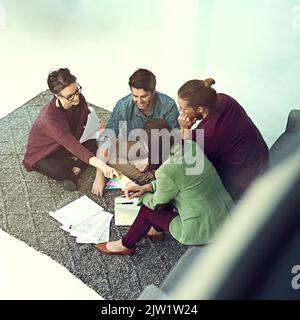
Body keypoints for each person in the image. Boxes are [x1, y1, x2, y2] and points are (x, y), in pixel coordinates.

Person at [95, 119, 234, 256]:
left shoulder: (166, 170)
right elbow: (177, 181)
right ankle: (156, 230)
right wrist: (147, 187)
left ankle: (125, 245)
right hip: (226, 214)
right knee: (161, 194)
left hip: (203, 229)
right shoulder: (191, 146)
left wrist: (140, 194)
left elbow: (157, 205)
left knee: (148, 209)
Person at [23, 68, 118, 191]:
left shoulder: (78, 97)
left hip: (70, 140)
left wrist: (95, 126)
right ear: (57, 96)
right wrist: (103, 166)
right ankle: (75, 165)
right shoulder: (50, 118)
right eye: (69, 96)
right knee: (59, 171)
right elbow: (72, 144)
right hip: (46, 152)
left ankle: (75, 170)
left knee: (97, 140)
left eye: (76, 91)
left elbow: (84, 118)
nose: (76, 98)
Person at [177, 78, 269, 201]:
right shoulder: (224, 99)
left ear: (200, 109)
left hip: (244, 183)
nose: (180, 112)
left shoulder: (209, 134)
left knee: (186, 180)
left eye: (183, 109)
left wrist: (184, 128)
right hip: (261, 158)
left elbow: (190, 163)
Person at [92, 68, 180, 196]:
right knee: (111, 151)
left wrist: (150, 159)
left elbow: (175, 141)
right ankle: (147, 177)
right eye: (135, 96)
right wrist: (100, 171)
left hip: (162, 150)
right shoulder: (123, 105)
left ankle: (151, 178)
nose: (139, 101)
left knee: (174, 159)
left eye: (144, 96)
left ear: (153, 91)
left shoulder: (168, 105)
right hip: (138, 145)